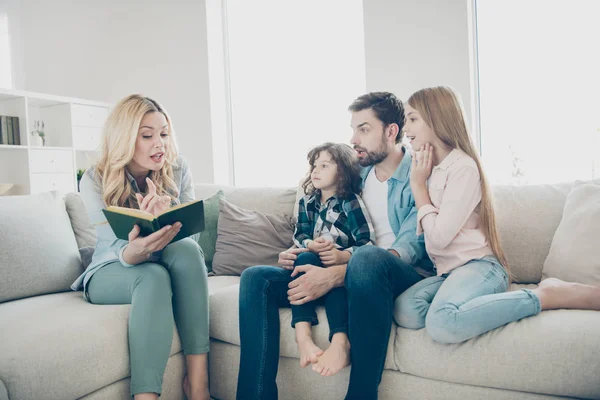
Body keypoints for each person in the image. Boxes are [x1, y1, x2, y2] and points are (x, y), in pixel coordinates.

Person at [237, 92, 432, 400]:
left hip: (399, 275)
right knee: (255, 279)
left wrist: (339, 272)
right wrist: (302, 250)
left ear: (391, 132)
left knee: (367, 260)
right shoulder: (354, 175)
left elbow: (412, 248)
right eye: (353, 129)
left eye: (364, 129)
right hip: (344, 265)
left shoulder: (418, 174)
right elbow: (321, 215)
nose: (354, 138)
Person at [395, 85, 600, 345]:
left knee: (442, 324)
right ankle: (471, 305)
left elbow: (437, 239)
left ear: (436, 120)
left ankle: (545, 295)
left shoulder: (463, 168)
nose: (406, 129)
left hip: (481, 268)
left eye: (413, 119)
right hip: (450, 273)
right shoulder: (430, 169)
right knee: (405, 310)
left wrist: (418, 187)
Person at [71, 94, 211, 400]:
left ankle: (198, 387)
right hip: (111, 269)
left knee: (185, 251)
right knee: (151, 277)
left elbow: (192, 242)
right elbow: (112, 247)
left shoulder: (178, 168)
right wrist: (138, 247)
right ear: (124, 139)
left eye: (163, 133)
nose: (159, 143)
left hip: (160, 259)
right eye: (147, 135)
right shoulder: (95, 178)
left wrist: (167, 213)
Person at [290, 142, 374, 374]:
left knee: (334, 282)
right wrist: (310, 245)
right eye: (314, 166)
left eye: (324, 165)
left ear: (342, 172)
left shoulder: (350, 202)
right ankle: (303, 336)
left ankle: (339, 339)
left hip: (336, 267)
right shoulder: (306, 202)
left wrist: (342, 255)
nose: (315, 171)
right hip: (308, 262)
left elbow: (366, 242)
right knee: (305, 260)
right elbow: (300, 234)